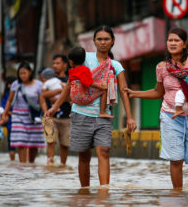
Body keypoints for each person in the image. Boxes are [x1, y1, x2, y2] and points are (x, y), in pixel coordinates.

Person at [46, 25, 137, 187]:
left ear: (113, 41)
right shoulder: (83, 58)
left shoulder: (115, 66)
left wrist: (130, 117)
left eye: (106, 39)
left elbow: (123, 91)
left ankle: (104, 190)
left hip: (103, 116)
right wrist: (55, 107)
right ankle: (85, 191)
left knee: (104, 152)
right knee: (84, 156)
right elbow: (69, 85)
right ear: (94, 41)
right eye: (99, 39)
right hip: (80, 114)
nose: (103, 42)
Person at [125, 27, 188, 189]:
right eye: (170, 40)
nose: (172, 43)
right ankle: (177, 194)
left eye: (176, 40)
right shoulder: (162, 67)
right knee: (176, 158)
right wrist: (134, 93)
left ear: (185, 43)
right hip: (170, 116)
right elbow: (158, 92)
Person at [2, 62, 48, 163]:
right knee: (20, 142)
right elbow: (9, 100)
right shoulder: (15, 84)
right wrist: (5, 113)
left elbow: (42, 101)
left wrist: (46, 114)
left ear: (30, 73)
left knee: (33, 143)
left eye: (24, 73)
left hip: (34, 117)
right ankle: (22, 165)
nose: (22, 75)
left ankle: (31, 164)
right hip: (18, 116)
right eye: (20, 73)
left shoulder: (38, 85)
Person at [67, 46, 113, 119]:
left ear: (72, 62)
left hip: (74, 98)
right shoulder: (84, 70)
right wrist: (102, 87)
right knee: (104, 91)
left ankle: (72, 112)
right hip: (83, 98)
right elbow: (89, 83)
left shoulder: (71, 71)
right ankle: (102, 112)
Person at [42, 54, 71, 165]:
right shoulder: (49, 80)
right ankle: (50, 163)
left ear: (64, 65)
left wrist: (57, 99)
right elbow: (44, 95)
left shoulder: (69, 79)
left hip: (66, 116)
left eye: (58, 63)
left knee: (65, 143)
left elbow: (72, 97)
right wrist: (60, 91)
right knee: (51, 141)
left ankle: (63, 165)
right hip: (51, 116)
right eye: (53, 63)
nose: (55, 65)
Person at [1, 75, 17, 161]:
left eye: (11, 84)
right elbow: (3, 108)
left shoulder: (20, 93)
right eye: (8, 84)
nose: (9, 86)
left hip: (21, 122)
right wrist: (10, 112)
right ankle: (12, 161)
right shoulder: (6, 95)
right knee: (11, 144)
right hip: (11, 123)